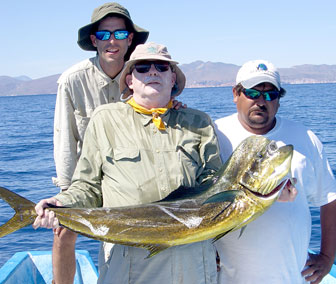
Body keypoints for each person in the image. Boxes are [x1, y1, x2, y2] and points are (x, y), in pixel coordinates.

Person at [34, 42, 222, 284]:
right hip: (131, 264)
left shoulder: (199, 122)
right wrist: (61, 203)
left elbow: (216, 186)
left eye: (162, 67)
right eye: (143, 67)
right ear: (130, 80)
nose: (153, 72)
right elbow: (88, 186)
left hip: (192, 264)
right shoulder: (105, 119)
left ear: (173, 78)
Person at [214, 59, 336, 284]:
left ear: (279, 100)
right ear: (236, 94)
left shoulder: (305, 138)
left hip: (292, 277)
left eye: (270, 94)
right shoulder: (213, 135)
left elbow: (330, 198)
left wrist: (327, 256)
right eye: (253, 93)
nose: (261, 101)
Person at [51, 2, 149, 283]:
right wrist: (67, 193)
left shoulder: (143, 75)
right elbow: (65, 139)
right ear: (94, 40)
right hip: (87, 178)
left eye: (119, 34)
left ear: (130, 39)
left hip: (130, 178)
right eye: (104, 35)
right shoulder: (71, 80)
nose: (112, 41)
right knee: (63, 233)